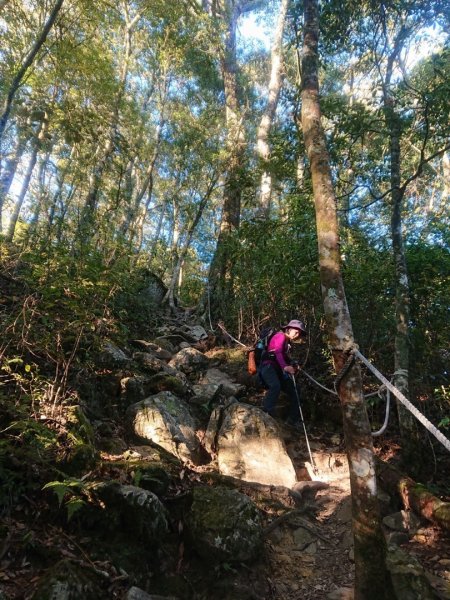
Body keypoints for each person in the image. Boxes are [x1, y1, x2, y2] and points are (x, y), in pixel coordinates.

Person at [259, 319, 307, 427]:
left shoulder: (287, 343)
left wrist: (292, 365)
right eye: (296, 331)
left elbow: (285, 357)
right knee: (275, 386)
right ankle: (266, 414)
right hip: (268, 367)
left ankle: (292, 420)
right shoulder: (280, 336)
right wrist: (285, 366)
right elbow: (278, 352)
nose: (297, 334)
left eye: (299, 333)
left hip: (277, 370)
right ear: (288, 329)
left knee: (295, 390)